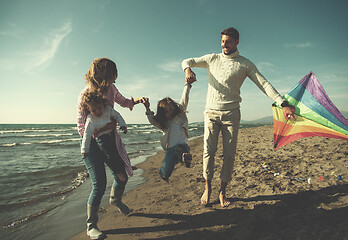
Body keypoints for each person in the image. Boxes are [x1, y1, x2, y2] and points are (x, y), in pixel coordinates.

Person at [182, 27, 295, 207]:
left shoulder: (245, 64)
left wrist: (283, 103)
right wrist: (188, 70)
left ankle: (222, 191)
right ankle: (208, 187)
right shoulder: (212, 59)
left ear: (236, 42)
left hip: (231, 114)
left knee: (229, 155)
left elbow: (264, 84)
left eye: (228, 42)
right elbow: (187, 60)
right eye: (222, 41)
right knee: (208, 152)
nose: (224, 45)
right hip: (210, 112)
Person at [77, 57, 146, 239]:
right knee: (99, 184)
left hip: (110, 141)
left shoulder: (111, 89)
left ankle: (115, 199)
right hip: (93, 145)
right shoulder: (86, 94)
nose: (115, 79)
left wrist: (136, 100)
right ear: (105, 74)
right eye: (113, 75)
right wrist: (102, 130)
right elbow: (81, 126)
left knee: (122, 176)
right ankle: (91, 225)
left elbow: (122, 102)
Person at [142, 82, 193, 182]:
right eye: (166, 111)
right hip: (170, 150)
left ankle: (185, 159)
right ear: (162, 113)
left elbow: (184, 100)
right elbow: (152, 121)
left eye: (171, 109)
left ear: (175, 108)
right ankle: (164, 175)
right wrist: (147, 108)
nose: (169, 112)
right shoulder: (164, 124)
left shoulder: (180, 116)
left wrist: (188, 85)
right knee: (165, 171)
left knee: (180, 150)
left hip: (182, 146)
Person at [80, 91, 128, 183]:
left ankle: (125, 166)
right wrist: (84, 150)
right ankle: (118, 172)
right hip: (102, 140)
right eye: (94, 110)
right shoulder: (90, 119)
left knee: (119, 151)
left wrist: (123, 125)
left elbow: (117, 116)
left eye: (99, 108)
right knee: (110, 156)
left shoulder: (108, 110)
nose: (98, 111)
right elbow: (87, 135)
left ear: (103, 104)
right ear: (89, 110)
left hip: (113, 136)